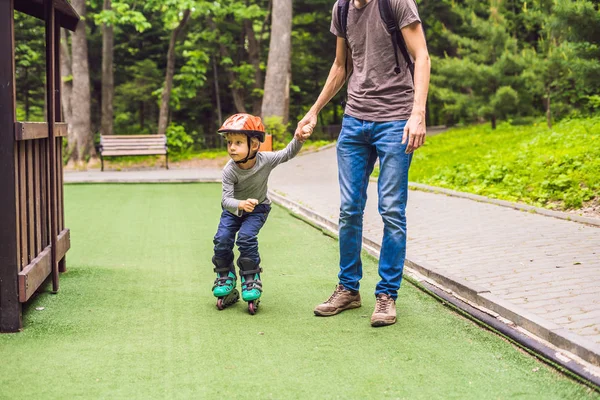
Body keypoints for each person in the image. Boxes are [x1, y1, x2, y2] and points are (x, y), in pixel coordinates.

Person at [295, 0, 430, 327]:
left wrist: (418, 113)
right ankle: (348, 289)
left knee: (392, 209)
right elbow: (341, 66)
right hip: (355, 121)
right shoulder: (341, 8)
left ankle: (386, 295)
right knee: (350, 209)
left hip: (396, 120)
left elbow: (422, 56)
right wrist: (313, 111)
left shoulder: (395, 3)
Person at [211, 113, 310, 315]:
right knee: (221, 239)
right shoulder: (229, 170)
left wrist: (298, 139)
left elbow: (286, 154)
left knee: (246, 238)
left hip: (258, 209)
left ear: (254, 145)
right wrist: (240, 204)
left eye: (238, 142)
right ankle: (226, 277)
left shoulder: (266, 160)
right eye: (229, 142)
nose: (231, 147)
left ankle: (250, 279)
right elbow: (225, 200)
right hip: (233, 210)